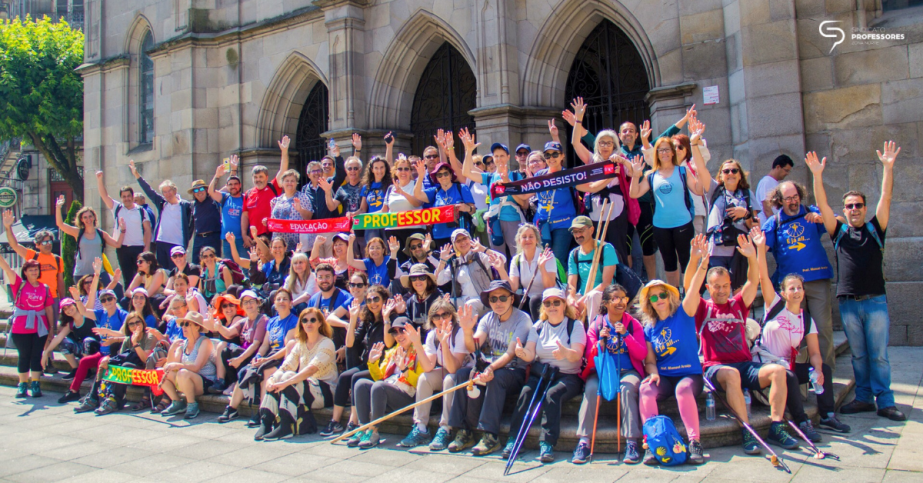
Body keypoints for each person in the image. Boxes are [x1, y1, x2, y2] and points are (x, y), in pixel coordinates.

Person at [809, 143, 906, 422]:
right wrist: (817, 175)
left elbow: (886, 198)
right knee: (860, 357)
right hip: (849, 303)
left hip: (875, 301)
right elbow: (824, 205)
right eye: (849, 206)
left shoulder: (876, 229)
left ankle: (885, 401)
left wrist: (888, 168)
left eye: (858, 206)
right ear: (845, 209)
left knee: (879, 356)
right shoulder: (838, 232)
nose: (854, 209)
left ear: (864, 208)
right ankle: (863, 398)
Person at [684, 233, 798, 456]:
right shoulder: (703, 308)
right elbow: (689, 287)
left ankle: (776, 425)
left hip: (746, 365)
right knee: (732, 375)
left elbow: (752, 281)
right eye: (716, 286)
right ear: (708, 286)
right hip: (716, 368)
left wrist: (752, 256)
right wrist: (695, 260)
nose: (721, 290)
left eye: (725, 285)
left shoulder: (738, 305)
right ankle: (747, 431)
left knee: (777, 371)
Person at [751, 226, 851, 438]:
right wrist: (760, 249)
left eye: (799, 288)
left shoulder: (806, 319)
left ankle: (827, 415)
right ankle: (802, 421)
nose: (796, 291)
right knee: (789, 375)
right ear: (784, 293)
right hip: (767, 367)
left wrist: (818, 370)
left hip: (789, 367)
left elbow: (814, 352)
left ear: (804, 291)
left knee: (823, 367)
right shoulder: (774, 306)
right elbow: (762, 277)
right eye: (792, 288)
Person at [447, 281, 537, 456]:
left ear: (512, 299)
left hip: (514, 371)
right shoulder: (487, 318)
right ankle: (463, 431)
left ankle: (490, 436)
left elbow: (511, 353)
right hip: (491, 367)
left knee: (497, 377)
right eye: (493, 298)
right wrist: (466, 330)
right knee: (462, 374)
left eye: (503, 297)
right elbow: (474, 347)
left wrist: (491, 369)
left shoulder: (522, 319)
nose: (498, 302)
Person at [504, 288, 586, 463]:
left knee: (552, 395)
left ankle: (547, 443)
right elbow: (531, 355)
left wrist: (565, 353)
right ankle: (514, 439)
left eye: (557, 302)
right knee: (526, 392)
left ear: (564, 304)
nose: (552, 306)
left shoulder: (575, 325)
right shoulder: (538, 327)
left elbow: (577, 355)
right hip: (542, 373)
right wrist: (521, 352)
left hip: (568, 376)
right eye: (548, 303)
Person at [761, 179, 836, 370]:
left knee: (823, 327)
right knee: (795, 330)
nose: (793, 201)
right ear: (779, 200)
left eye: (795, 197)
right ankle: (800, 375)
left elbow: (839, 223)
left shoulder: (812, 213)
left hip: (817, 279)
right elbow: (761, 249)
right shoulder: (774, 223)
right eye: (788, 198)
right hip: (790, 287)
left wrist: (822, 219)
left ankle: (825, 373)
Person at [638, 267, 709, 465]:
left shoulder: (684, 314)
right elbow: (650, 361)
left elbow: (694, 288)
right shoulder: (649, 328)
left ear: (669, 296)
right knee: (645, 389)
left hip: (689, 375)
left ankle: (694, 442)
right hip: (665, 377)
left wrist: (701, 263)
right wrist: (652, 373)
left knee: (683, 389)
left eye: (662, 294)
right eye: (653, 297)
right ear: (649, 302)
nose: (659, 299)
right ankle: (652, 443)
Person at [630, 116, 710, 289]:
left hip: (683, 223)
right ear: (656, 153)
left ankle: (689, 295)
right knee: (669, 264)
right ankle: (674, 295)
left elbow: (698, 189)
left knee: (687, 261)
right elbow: (634, 193)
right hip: (660, 226)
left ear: (673, 152)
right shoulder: (651, 175)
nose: (664, 153)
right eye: (660, 150)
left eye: (667, 149)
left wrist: (700, 172)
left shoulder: (682, 171)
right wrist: (636, 176)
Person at [573, 284, 647, 464]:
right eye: (615, 298)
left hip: (627, 371)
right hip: (602, 372)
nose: (621, 302)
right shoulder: (597, 325)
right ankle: (584, 441)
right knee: (590, 390)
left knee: (627, 389)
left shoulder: (632, 323)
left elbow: (641, 354)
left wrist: (627, 336)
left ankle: (631, 442)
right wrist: (600, 344)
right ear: (605, 303)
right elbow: (589, 357)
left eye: (623, 298)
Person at [255, 307, 338, 441]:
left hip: (325, 390)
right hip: (304, 386)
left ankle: (285, 426)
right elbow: (286, 366)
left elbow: (311, 369)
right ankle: (266, 422)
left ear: (320, 323)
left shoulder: (327, 343)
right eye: (305, 320)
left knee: (287, 377)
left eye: (312, 320)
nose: (308, 323)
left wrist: (285, 383)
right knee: (281, 375)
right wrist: (272, 379)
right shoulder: (300, 344)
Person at [398, 299, 471, 449]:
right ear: (431, 320)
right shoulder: (432, 335)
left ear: (452, 316)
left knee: (449, 380)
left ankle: (445, 428)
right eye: (436, 317)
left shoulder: (459, 333)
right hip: (447, 371)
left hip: (465, 375)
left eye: (445, 314)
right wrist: (418, 344)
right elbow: (428, 367)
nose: (441, 319)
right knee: (425, 379)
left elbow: (453, 369)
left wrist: (444, 342)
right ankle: (421, 427)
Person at [321, 286, 393, 438]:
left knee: (356, 377)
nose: (372, 303)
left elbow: (389, 344)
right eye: (369, 300)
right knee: (345, 376)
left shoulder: (391, 319)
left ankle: (354, 422)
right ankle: (335, 421)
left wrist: (386, 318)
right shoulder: (367, 321)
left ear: (384, 300)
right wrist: (353, 320)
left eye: (376, 299)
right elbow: (349, 344)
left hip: (383, 367)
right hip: (368, 363)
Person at [348, 317, 425, 448]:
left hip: (408, 397)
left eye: (402, 331)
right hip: (388, 392)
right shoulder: (392, 352)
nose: (399, 335)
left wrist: (404, 370)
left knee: (380, 386)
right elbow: (380, 377)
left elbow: (421, 383)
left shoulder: (420, 351)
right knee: (361, 384)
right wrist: (372, 363)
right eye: (395, 332)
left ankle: (373, 431)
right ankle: (363, 428)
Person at [68, 259, 129, 412]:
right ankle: (74, 392)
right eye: (103, 300)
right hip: (102, 352)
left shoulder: (123, 314)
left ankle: (94, 398)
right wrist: (76, 298)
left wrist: (108, 334)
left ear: (115, 299)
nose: (107, 302)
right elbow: (83, 312)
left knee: (103, 364)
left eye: (110, 299)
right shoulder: (101, 313)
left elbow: (124, 335)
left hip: (116, 353)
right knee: (84, 362)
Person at [571, 128, 635, 266]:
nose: (605, 146)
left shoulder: (620, 159)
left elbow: (634, 173)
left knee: (619, 250)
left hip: (616, 211)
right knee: (597, 250)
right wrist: (578, 120)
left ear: (614, 145)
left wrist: (624, 162)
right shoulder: (592, 160)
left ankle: (621, 284)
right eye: (602, 143)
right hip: (595, 212)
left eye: (609, 143)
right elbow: (575, 143)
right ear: (597, 145)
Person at [460, 129, 527, 259]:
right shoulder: (489, 177)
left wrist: (507, 183)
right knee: (497, 258)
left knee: (517, 257)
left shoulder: (515, 175)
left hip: (512, 219)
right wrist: (468, 150)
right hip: (494, 221)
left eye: (502, 156)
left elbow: (523, 202)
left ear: (508, 157)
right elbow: (466, 172)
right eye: (496, 156)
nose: (498, 159)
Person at [1, 212, 63, 340]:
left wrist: (62, 300)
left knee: (52, 332)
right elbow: (14, 245)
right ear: (38, 245)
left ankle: (48, 358)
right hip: (37, 299)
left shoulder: (58, 259)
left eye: (50, 241)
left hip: (53, 299)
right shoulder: (33, 256)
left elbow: (60, 282)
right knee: (38, 332)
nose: (48, 244)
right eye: (45, 242)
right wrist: (8, 228)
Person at [0, 255, 53, 398]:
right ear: (25, 272)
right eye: (31, 270)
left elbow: (48, 308)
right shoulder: (19, 284)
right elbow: (6, 267)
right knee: (24, 356)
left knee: (37, 355)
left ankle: (35, 384)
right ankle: (22, 385)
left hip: (40, 327)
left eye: (36, 269)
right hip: (21, 328)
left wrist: (51, 328)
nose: (34, 272)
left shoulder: (44, 287)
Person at [87, 311, 157, 415]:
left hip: (144, 374)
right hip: (127, 372)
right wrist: (108, 360)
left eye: (138, 322)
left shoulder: (149, 337)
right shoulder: (127, 339)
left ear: (143, 323)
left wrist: (135, 343)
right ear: (128, 327)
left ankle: (115, 400)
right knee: (106, 364)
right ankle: (93, 397)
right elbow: (120, 358)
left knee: (125, 366)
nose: (135, 326)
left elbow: (145, 360)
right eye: (131, 324)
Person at [704, 159, 759, 290]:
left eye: (734, 170)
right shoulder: (714, 190)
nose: (730, 173)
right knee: (717, 288)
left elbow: (755, 227)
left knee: (739, 290)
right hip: (717, 248)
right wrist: (694, 144)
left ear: (740, 175)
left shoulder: (747, 194)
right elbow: (702, 170)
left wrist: (745, 214)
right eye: (726, 171)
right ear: (721, 176)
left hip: (740, 249)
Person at [129, 160, 194, 270]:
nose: (167, 194)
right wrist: (137, 175)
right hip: (162, 242)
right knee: (162, 271)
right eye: (164, 192)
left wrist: (185, 243)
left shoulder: (185, 206)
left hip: (176, 244)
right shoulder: (162, 203)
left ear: (174, 190)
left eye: (169, 191)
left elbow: (190, 226)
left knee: (176, 271)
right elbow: (149, 191)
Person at [217, 290, 270, 422]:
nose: (249, 305)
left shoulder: (262, 319)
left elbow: (256, 344)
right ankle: (234, 387)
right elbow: (228, 333)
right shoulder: (244, 321)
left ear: (258, 303)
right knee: (225, 350)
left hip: (256, 356)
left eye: (251, 301)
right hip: (245, 357)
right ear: (241, 305)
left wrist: (239, 359)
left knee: (235, 352)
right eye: (245, 302)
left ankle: (235, 405)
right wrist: (217, 326)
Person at [95, 170, 152, 285]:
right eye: (124, 196)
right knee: (127, 278)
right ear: (121, 198)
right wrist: (99, 180)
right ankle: (128, 302)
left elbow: (147, 230)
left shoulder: (141, 211)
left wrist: (146, 247)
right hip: (123, 248)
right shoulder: (117, 208)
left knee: (140, 278)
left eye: (129, 196)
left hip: (138, 248)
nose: (127, 198)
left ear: (132, 196)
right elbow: (104, 196)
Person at [55, 195, 124, 287]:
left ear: (94, 217)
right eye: (85, 217)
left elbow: (117, 244)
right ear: (81, 219)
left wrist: (123, 231)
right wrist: (58, 207)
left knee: (114, 289)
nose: (88, 219)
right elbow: (60, 224)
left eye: (90, 216)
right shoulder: (78, 232)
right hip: (81, 274)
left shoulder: (101, 234)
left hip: (99, 273)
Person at [159, 311, 218, 419]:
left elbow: (196, 367)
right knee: (163, 372)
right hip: (186, 378)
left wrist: (178, 365)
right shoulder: (183, 344)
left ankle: (192, 404)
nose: (183, 327)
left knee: (182, 373)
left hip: (205, 381)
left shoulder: (204, 342)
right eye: (182, 324)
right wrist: (172, 349)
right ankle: (177, 402)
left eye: (187, 324)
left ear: (197, 327)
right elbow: (171, 365)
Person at [435, 228, 504, 317]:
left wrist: (483, 249)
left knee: (469, 305)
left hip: (484, 300)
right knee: (441, 304)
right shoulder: (455, 263)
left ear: (470, 239)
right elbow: (439, 281)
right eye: (458, 241)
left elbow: (502, 259)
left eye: (464, 238)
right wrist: (442, 261)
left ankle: (471, 330)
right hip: (464, 300)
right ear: (454, 245)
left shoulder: (480, 256)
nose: (462, 242)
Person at [407, 159, 476, 248]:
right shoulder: (435, 191)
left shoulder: (461, 188)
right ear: (437, 178)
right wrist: (421, 176)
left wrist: (466, 208)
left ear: (451, 175)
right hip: (439, 235)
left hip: (460, 236)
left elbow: (473, 210)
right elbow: (417, 194)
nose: (443, 177)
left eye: (446, 173)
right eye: (439, 175)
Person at [530, 142, 579, 262]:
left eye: (555, 154)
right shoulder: (539, 175)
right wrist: (505, 185)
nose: (551, 158)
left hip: (563, 224)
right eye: (547, 155)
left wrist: (610, 175)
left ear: (562, 156)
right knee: (542, 259)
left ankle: (559, 281)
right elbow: (524, 192)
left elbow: (590, 187)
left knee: (557, 260)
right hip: (542, 224)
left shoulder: (569, 175)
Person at [566, 216, 617, 325]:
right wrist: (571, 298)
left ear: (592, 230)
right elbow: (571, 284)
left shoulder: (606, 249)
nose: (578, 235)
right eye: (575, 232)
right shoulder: (574, 254)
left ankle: (594, 333)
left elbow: (606, 283)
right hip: (583, 295)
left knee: (592, 297)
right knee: (563, 300)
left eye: (581, 231)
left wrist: (584, 300)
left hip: (604, 295)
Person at [242, 136, 291, 248]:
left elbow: (283, 170)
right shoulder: (248, 194)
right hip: (255, 237)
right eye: (255, 177)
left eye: (260, 177)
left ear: (266, 177)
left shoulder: (273, 186)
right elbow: (245, 216)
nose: (258, 179)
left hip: (272, 235)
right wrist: (244, 235)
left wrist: (284, 151)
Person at [303, 144, 346, 258]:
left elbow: (341, 174)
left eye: (319, 170)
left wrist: (337, 156)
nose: (317, 173)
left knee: (332, 260)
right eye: (314, 171)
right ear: (308, 174)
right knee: (317, 261)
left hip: (330, 229)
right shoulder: (304, 189)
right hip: (313, 232)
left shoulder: (330, 182)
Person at [307, 263, 354, 366]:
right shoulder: (313, 300)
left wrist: (345, 347)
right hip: (317, 345)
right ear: (316, 280)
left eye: (327, 277)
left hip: (339, 346)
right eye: (321, 277)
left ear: (334, 278)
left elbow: (354, 323)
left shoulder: (345, 297)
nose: (324, 280)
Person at [44, 298, 96, 389]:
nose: (68, 310)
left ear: (75, 305)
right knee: (63, 342)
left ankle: (86, 371)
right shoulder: (70, 324)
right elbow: (58, 338)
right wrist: (45, 352)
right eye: (65, 309)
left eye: (69, 306)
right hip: (83, 349)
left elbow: (92, 298)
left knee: (87, 341)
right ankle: (76, 369)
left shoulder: (87, 315)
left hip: (95, 348)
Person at [508, 225, 558, 318]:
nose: (528, 239)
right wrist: (500, 269)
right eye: (524, 237)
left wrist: (542, 267)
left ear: (537, 240)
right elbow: (513, 287)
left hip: (548, 297)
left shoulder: (548, 256)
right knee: (511, 300)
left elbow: (550, 286)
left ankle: (537, 331)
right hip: (528, 298)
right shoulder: (516, 260)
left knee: (534, 301)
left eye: (531, 236)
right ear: (519, 241)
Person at [209, 154, 246, 258]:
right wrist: (217, 175)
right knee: (229, 268)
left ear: (240, 185)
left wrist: (234, 171)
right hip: (227, 240)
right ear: (227, 186)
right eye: (230, 184)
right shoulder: (225, 198)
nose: (233, 186)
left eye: (235, 184)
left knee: (245, 268)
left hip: (241, 240)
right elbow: (211, 192)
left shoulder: (245, 198)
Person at [381, 154, 422, 246]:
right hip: (393, 231)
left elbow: (418, 203)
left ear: (411, 171)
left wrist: (402, 193)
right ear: (395, 172)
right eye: (400, 169)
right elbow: (383, 211)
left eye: (406, 169)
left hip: (414, 230)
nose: (403, 171)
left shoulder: (416, 184)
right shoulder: (390, 188)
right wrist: (360, 216)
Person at [270, 169, 313, 251]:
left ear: (296, 183)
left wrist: (300, 210)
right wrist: (267, 222)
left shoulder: (302, 197)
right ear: (282, 183)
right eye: (287, 181)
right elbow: (273, 220)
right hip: (278, 242)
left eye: (292, 181)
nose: (289, 183)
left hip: (296, 242)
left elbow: (309, 217)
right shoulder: (276, 200)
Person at [397, 263, 443, 329]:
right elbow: (408, 327)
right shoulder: (410, 302)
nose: (417, 281)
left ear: (428, 280)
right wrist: (401, 313)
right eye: (413, 278)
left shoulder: (438, 297)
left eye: (422, 278)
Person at [188, 179, 224, 262]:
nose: (199, 192)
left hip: (213, 237)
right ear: (193, 193)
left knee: (215, 263)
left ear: (206, 190)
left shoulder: (214, 200)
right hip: (198, 239)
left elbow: (228, 187)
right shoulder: (192, 205)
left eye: (201, 189)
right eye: (196, 190)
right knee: (196, 264)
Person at [360, 155, 393, 243]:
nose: (379, 171)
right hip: (371, 224)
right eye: (376, 168)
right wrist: (352, 214)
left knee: (388, 250)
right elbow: (363, 209)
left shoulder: (391, 185)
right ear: (372, 169)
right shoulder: (366, 187)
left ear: (386, 168)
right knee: (373, 250)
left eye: (382, 167)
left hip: (387, 223)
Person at [756, 155, 794, 225]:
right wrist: (775, 226)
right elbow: (767, 208)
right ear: (778, 167)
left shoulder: (774, 182)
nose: (787, 174)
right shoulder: (767, 182)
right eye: (786, 170)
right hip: (768, 227)